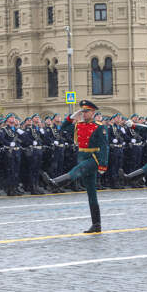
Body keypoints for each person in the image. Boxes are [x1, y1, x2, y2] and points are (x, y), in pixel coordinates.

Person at [42, 100, 109, 233]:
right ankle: (97, 224)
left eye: (86, 111)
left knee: (77, 171)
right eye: (83, 111)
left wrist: (103, 165)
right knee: (91, 194)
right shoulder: (79, 125)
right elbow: (62, 128)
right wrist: (72, 116)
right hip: (82, 156)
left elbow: (104, 147)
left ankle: (55, 183)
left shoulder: (99, 126)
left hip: (93, 158)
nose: (84, 114)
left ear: (93, 112)